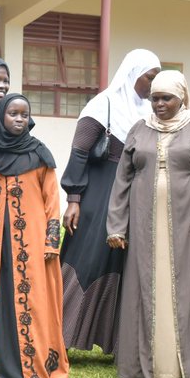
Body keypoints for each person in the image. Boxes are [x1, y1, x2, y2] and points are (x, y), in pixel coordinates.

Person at [106, 70, 190, 378]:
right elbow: (122, 181)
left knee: (185, 290)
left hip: (189, 222)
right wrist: (116, 225)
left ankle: (180, 370)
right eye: (154, 98)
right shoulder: (140, 129)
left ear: (182, 97)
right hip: (144, 221)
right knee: (145, 286)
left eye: (166, 98)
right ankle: (143, 368)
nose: (158, 104)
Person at [60, 49, 161, 355]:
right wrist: (74, 199)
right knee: (88, 257)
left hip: (136, 194)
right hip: (99, 193)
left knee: (123, 261)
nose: (154, 85)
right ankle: (60, 334)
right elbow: (79, 152)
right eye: (150, 76)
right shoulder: (103, 104)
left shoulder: (151, 112)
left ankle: (118, 341)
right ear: (133, 74)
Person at [0, 94, 69, 378]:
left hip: (33, 244)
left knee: (36, 302)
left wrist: (51, 242)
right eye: (12, 113)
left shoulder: (39, 153)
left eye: (23, 114)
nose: (18, 119)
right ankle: (2, 365)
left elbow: (52, 200)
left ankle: (36, 364)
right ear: (1, 115)